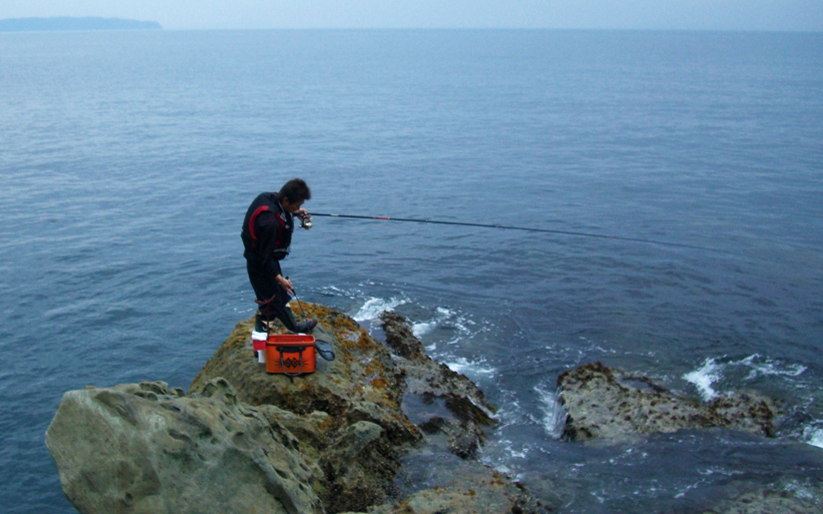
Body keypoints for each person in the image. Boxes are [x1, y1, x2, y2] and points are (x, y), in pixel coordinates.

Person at [241, 178, 317, 334]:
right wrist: (281, 279)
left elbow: (280, 209)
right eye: (297, 205)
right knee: (269, 304)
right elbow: (265, 258)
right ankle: (260, 345)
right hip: (259, 263)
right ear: (286, 200)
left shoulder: (271, 198)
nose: (299, 207)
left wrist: (295, 212)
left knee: (280, 295)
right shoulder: (270, 222)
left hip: (266, 258)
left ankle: (294, 327)